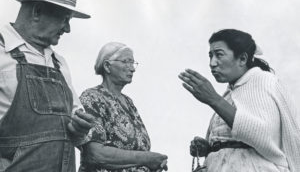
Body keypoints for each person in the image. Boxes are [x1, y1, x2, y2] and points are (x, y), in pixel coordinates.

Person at [0, 0, 95, 172]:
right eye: (65, 19)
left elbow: (76, 129)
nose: (68, 29)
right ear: (37, 11)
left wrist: (79, 128)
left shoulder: (59, 63)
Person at [178, 29, 300, 172]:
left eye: (219, 55)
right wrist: (210, 148)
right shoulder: (231, 93)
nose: (212, 63)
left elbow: (265, 136)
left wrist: (214, 99)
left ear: (242, 58)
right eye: (210, 56)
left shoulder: (263, 81)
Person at [78, 42, 168, 172]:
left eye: (133, 63)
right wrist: (147, 158)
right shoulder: (92, 98)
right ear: (107, 66)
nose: (132, 68)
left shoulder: (128, 102)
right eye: (126, 62)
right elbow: (95, 154)